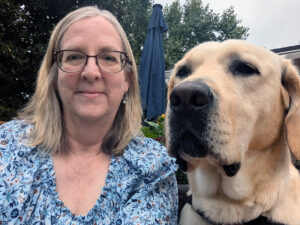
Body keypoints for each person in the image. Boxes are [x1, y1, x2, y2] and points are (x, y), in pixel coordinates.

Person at [0, 6, 178, 224]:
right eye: (74, 56)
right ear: (54, 76)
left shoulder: (152, 168)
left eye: (109, 58)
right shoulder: (6, 148)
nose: (91, 72)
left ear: (127, 80)